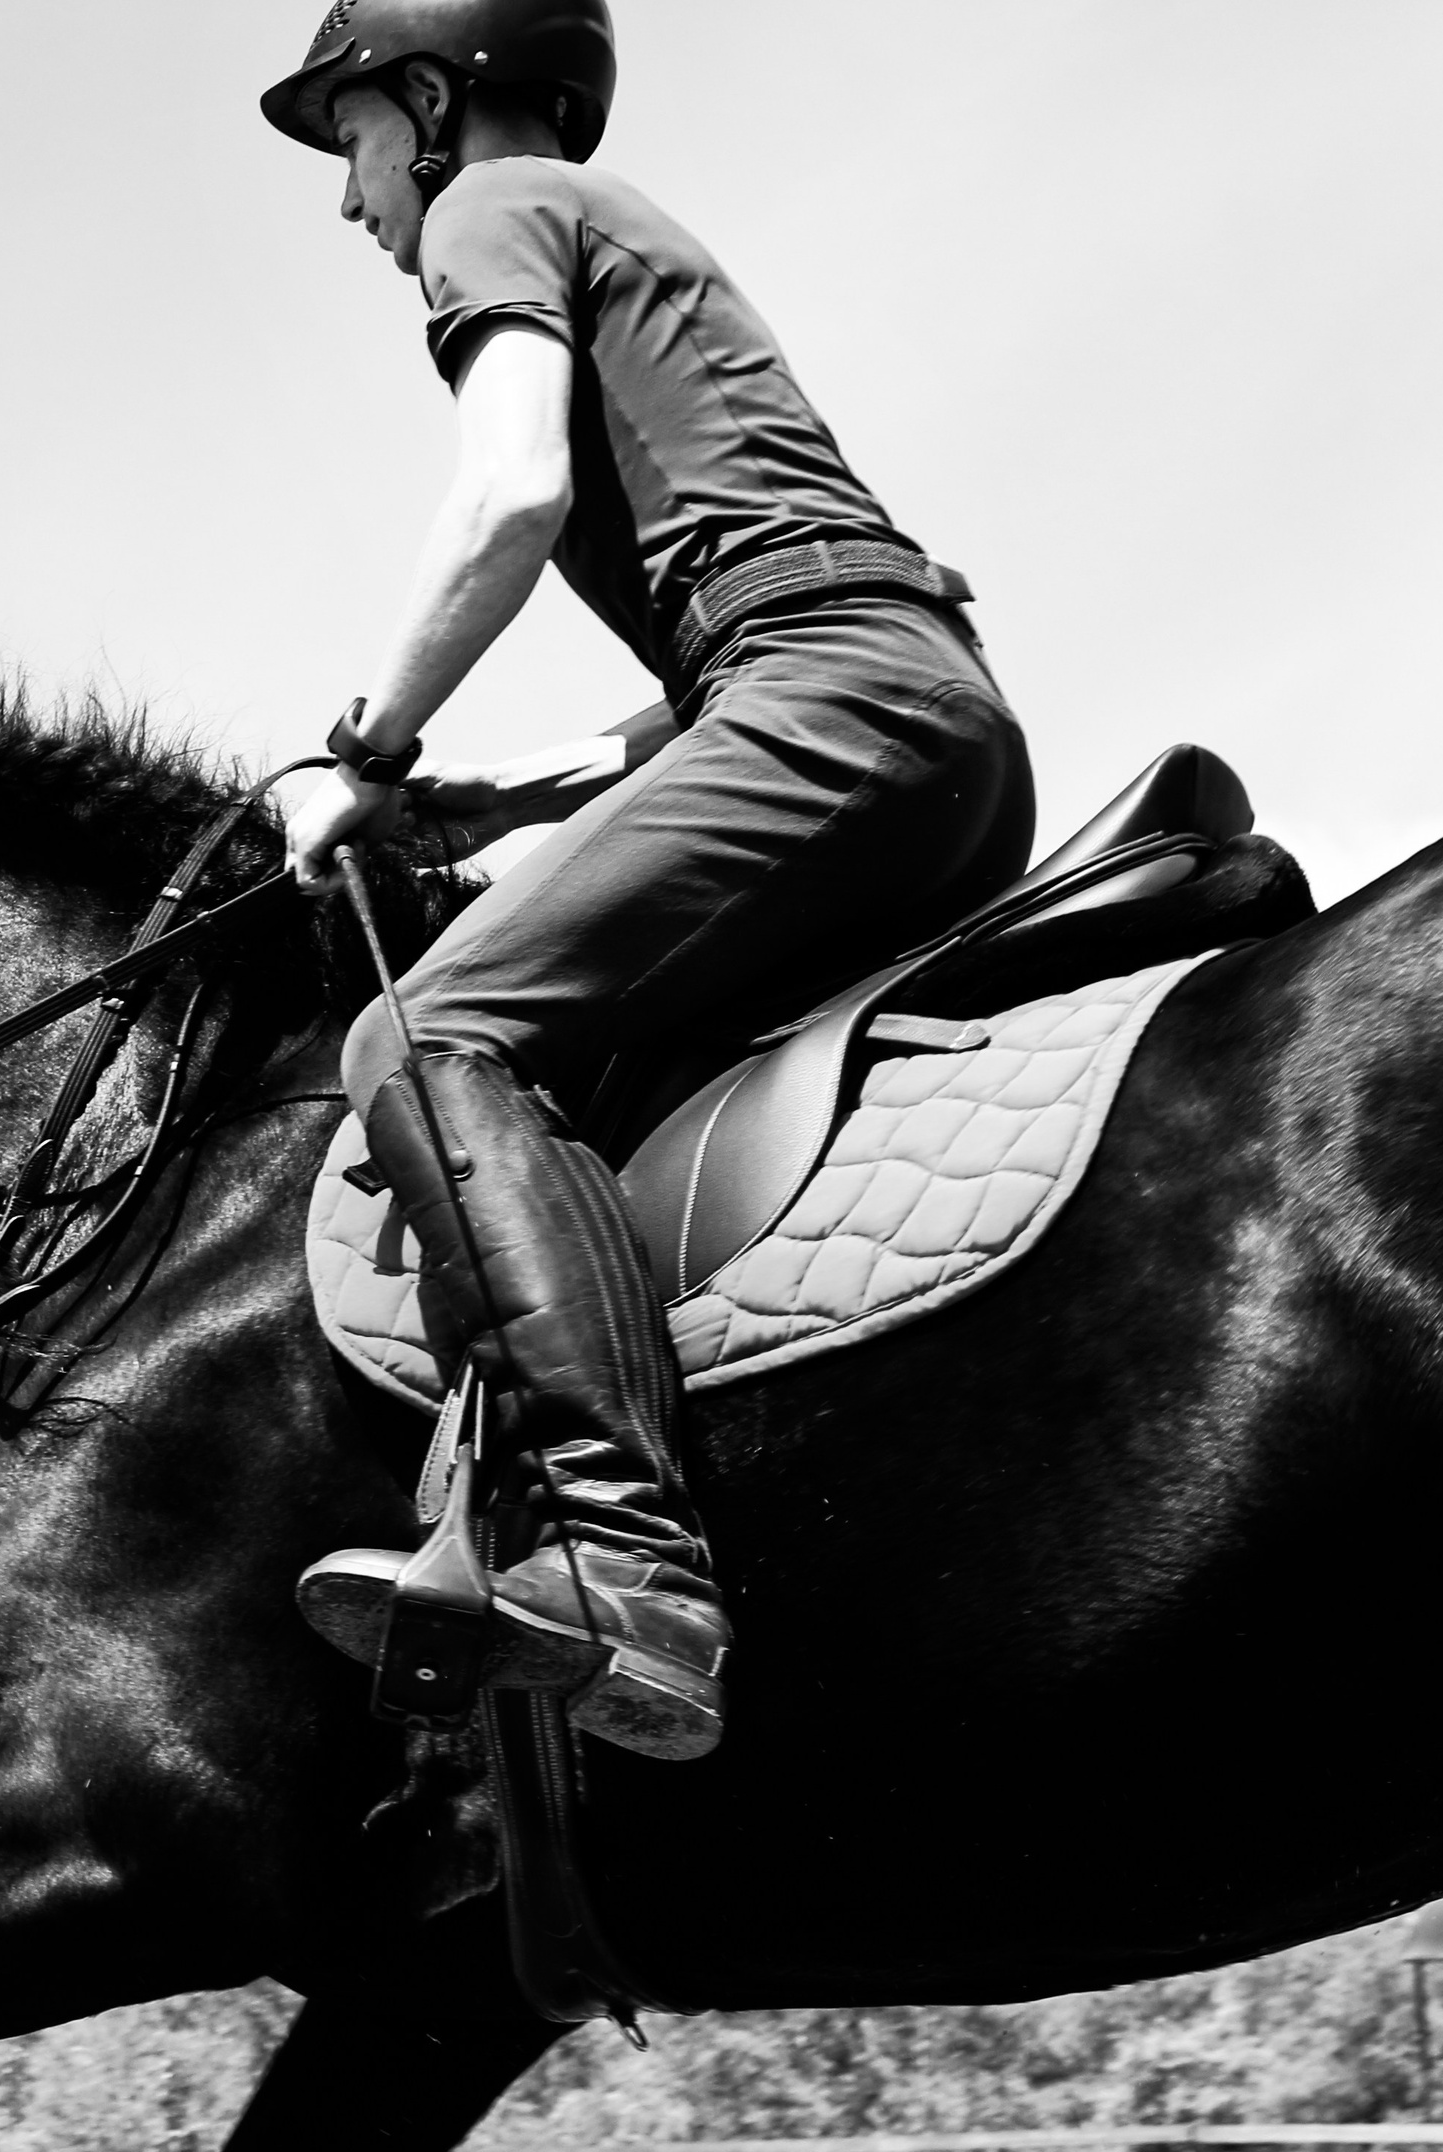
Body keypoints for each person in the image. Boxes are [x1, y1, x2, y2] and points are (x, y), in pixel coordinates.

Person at [265, 0, 1035, 1757]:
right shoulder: (621, 232)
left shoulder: (489, 210)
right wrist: (472, 802)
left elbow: (510, 497)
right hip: (911, 716)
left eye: (353, 132)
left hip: (832, 698)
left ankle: (624, 1562)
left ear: (438, 101)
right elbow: (700, 687)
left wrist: (363, 749)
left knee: (422, 1040)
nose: (350, 195)